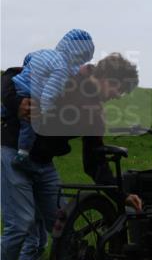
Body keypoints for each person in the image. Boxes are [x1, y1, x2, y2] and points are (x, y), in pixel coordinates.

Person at [1, 52, 143, 260]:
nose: (118, 96)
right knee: (20, 223)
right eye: (119, 89)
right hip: (12, 150)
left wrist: (121, 195)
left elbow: (94, 162)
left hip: (43, 163)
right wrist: (15, 104)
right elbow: (10, 75)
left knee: (63, 223)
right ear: (108, 77)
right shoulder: (68, 74)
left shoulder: (95, 114)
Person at [7, 29, 95, 173]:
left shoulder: (45, 52)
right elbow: (49, 92)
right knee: (29, 123)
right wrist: (44, 112)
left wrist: (27, 71)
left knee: (8, 109)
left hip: (18, 82)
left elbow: (28, 58)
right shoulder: (62, 69)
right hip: (29, 92)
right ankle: (22, 155)